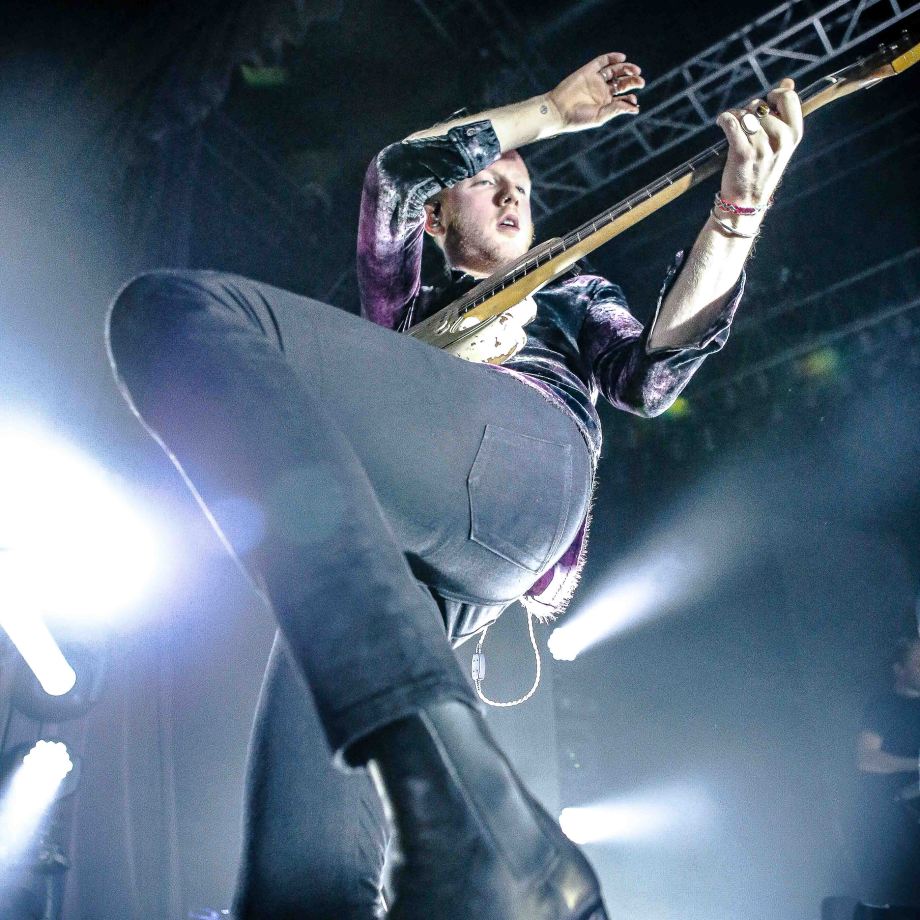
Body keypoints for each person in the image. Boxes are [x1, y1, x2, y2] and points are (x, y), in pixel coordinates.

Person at [105, 53, 802, 919]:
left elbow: (652, 377)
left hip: (528, 473)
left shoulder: (572, 291)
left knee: (178, 312)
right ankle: (483, 856)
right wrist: (551, 111)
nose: (513, 197)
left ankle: (494, 828)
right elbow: (396, 173)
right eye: (485, 181)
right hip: (418, 569)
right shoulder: (404, 308)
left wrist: (736, 216)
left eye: (523, 189)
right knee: (299, 872)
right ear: (437, 217)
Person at [855, 635, 920, 906]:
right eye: (918, 662)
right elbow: (866, 758)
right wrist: (916, 764)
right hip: (896, 826)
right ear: (899, 669)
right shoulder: (884, 706)